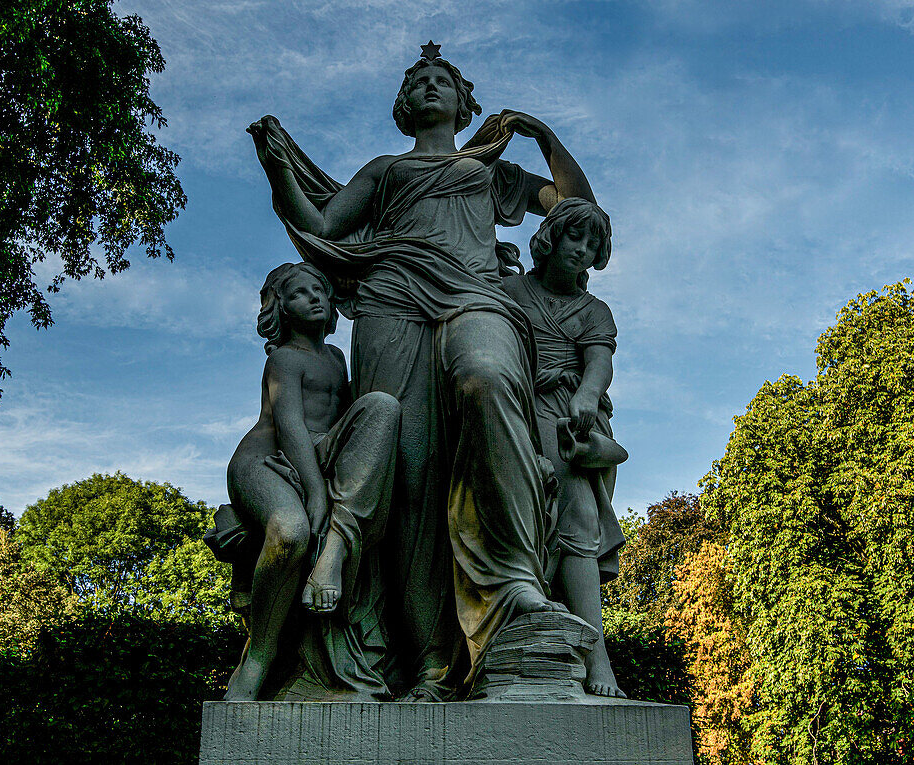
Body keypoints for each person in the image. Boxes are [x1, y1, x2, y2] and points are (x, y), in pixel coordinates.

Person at [247, 44, 600, 699]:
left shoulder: (491, 171)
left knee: (489, 379)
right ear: (404, 106)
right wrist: (278, 170)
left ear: (466, 105)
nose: (430, 86)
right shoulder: (384, 169)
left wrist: (546, 137)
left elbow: (576, 206)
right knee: (407, 477)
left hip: (476, 295)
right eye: (419, 81)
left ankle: (513, 586)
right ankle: (431, 663)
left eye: (443, 80)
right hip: (390, 299)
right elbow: (322, 222)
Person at [217, 262, 401, 700]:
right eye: (300, 293)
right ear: (280, 308)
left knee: (382, 406)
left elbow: (356, 424)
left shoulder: (336, 358)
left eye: (319, 288)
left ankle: (336, 557)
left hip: (319, 454)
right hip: (266, 460)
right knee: (292, 531)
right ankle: (257, 655)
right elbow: (291, 425)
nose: (315, 297)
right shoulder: (285, 358)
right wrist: (316, 489)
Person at [502, 198, 628, 698]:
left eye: (593, 244)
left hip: (566, 417)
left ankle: (597, 657)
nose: (582, 250)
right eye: (575, 237)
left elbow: (599, 363)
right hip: (511, 406)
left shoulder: (594, 311)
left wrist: (585, 394)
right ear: (551, 236)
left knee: (576, 519)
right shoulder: (510, 291)